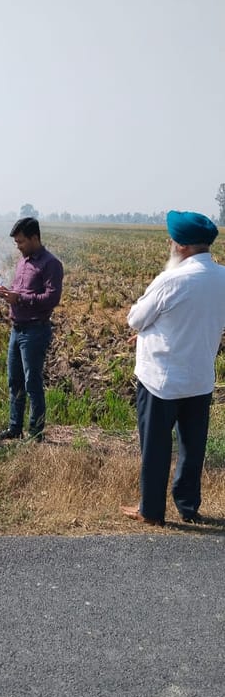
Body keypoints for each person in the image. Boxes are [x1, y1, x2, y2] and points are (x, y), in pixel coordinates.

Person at [122, 210, 225, 528]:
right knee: (193, 447)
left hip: (161, 380)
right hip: (199, 378)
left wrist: (146, 331)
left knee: (155, 446)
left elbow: (136, 319)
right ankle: (188, 506)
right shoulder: (222, 277)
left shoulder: (171, 279)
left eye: (172, 239)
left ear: (181, 246)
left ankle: (151, 511)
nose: (170, 243)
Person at [0, 216, 63, 442]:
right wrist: (7, 293)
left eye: (21, 242)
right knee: (14, 382)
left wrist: (20, 299)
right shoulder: (22, 262)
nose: (18, 246)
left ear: (34, 238)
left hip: (35, 331)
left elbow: (51, 298)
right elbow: (19, 291)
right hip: (17, 329)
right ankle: (15, 428)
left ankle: (35, 433)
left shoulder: (51, 264)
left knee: (32, 383)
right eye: (16, 242)